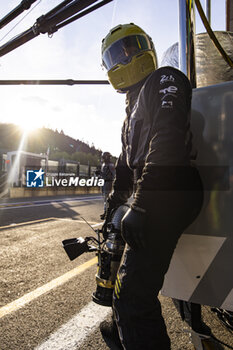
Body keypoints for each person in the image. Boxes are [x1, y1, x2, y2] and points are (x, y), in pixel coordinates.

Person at [100, 23, 203, 350]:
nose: (127, 56)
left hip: (171, 190)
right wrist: (113, 209)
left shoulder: (164, 79)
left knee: (132, 298)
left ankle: (127, 326)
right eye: (118, 54)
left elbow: (168, 137)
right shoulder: (128, 117)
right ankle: (122, 331)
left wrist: (141, 205)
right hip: (157, 193)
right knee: (126, 293)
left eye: (132, 46)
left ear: (148, 47)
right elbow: (125, 171)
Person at [100, 151, 116, 220]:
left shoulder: (110, 165)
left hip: (108, 182)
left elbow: (114, 174)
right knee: (104, 198)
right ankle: (105, 212)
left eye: (103, 157)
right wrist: (99, 173)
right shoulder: (103, 164)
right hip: (104, 182)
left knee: (107, 198)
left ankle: (107, 214)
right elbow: (104, 174)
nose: (102, 158)